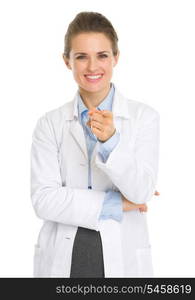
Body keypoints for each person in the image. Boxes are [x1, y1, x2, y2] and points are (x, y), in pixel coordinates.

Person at [31, 11, 160, 278]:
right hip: (63, 259)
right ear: (67, 61)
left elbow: (141, 191)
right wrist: (115, 204)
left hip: (123, 258)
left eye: (102, 55)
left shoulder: (144, 118)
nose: (92, 67)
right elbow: (44, 200)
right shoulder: (50, 124)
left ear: (116, 58)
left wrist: (111, 141)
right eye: (81, 57)